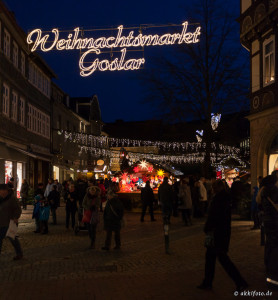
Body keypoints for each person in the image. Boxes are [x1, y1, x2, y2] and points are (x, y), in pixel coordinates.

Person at [197, 180, 248, 291]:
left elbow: (214, 216)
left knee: (222, 259)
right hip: (221, 232)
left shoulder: (219, 199)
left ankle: (240, 282)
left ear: (217, 188)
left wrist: (208, 227)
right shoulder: (225, 198)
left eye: (214, 187)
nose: (212, 189)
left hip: (217, 233)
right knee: (212, 258)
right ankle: (208, 282)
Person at [260, 171, 278, 288]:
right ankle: (273, 280)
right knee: (275, 249)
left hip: (267, 222)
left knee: (270, 245)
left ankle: (269, 270)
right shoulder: (274, 191)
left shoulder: (264, 192)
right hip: (275, 223)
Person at [0, 184, 23, 260]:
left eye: (2, 190)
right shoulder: (0, 198)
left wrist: (16, 217)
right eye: (0, 190)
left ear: (6, 191)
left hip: (10, 223)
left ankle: (19, 254)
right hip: (1, 223)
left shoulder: (12, 198)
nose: (1, 192)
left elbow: (18, 209)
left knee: (13, 239)